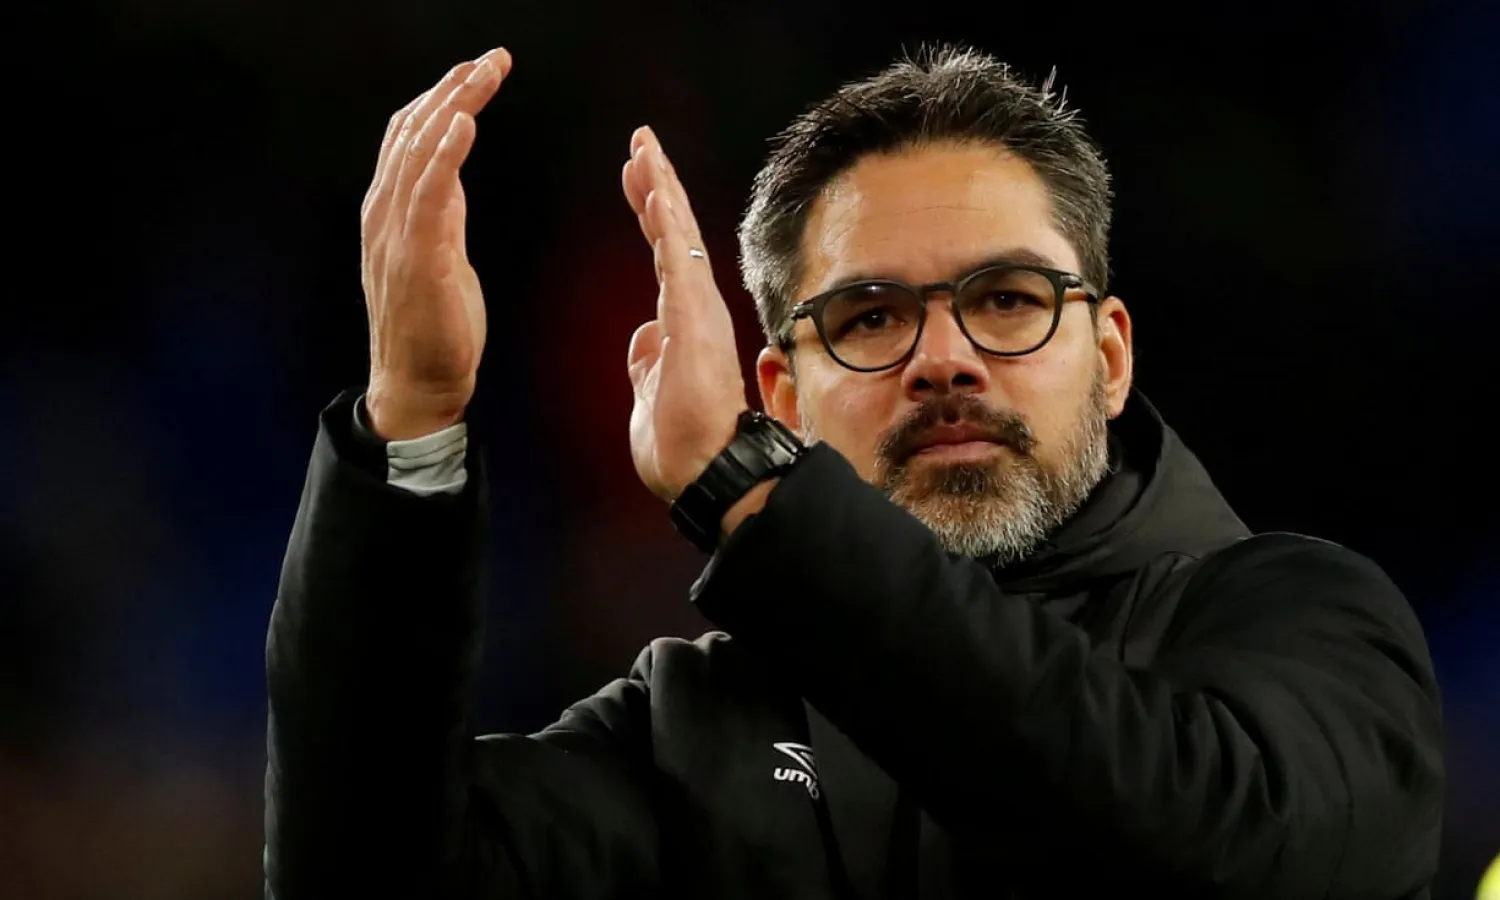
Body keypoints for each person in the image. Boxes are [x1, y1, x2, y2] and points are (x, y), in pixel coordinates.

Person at [264, 42, 1445, 899]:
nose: (946, 359)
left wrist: (748, 492)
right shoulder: (697, 733)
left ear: (1112, 355)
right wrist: (413, 418)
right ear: (782, 398)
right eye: (872, 317)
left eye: (1007, 299)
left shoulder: (1305, 621)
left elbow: (1201, 849)